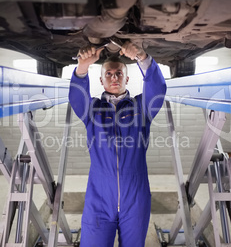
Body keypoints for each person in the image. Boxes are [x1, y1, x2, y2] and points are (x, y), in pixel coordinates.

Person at [68, 41, 166, 246]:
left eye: (119, 74)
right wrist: (82, 66)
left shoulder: (141, 108)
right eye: (109, 74)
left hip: (136, 198)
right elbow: (77, 97)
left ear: (127, 79)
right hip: (99, 198)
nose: (114, 77)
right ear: (101, 80)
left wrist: (142, 56)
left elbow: (157, 89)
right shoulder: (92, 110)